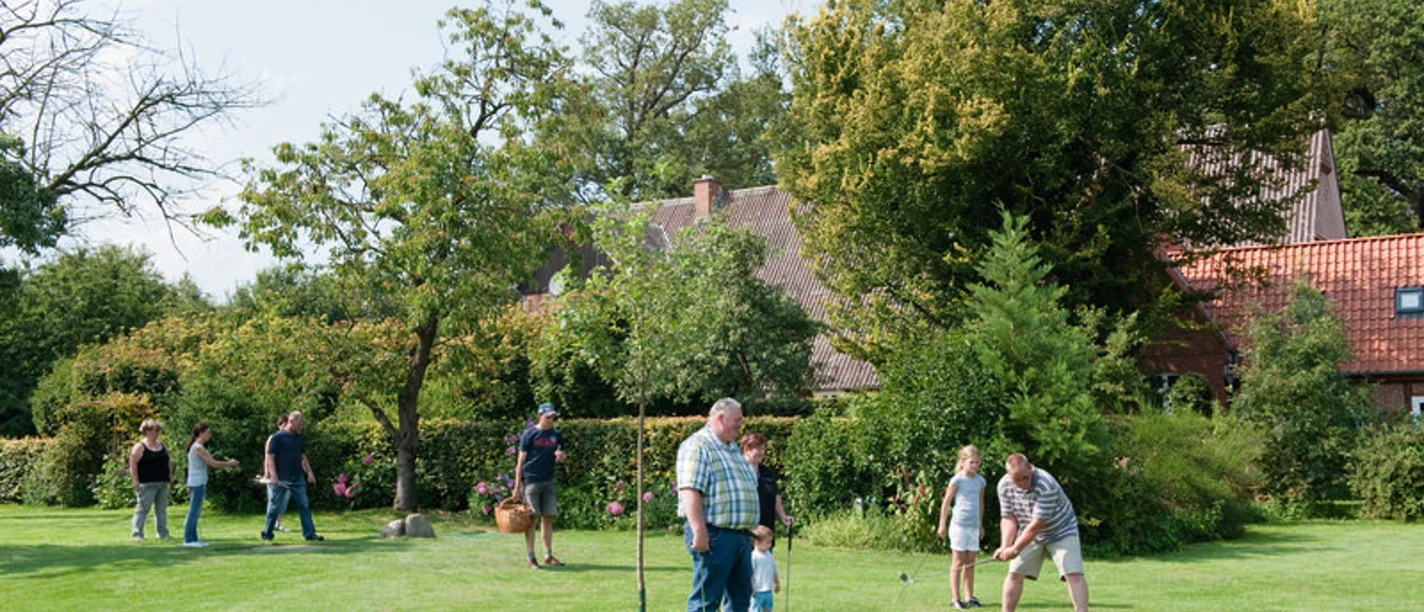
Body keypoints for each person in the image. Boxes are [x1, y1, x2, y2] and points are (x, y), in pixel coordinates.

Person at [677, 398, 759, 612]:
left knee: (740, 602)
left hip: (740, 536)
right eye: (737, 420)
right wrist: (699, 531)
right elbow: (690, 490)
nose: (741, 425)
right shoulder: (698, 445)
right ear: (721, 418)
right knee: (707, 601)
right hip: (714, 535)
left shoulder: (732, 448)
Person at [992, 454, 1089, 612]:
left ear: (1031, 469)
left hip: (1061, 530)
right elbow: (1008, 518)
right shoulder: (1004, 485)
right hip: (1029, 531)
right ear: (1009, 476)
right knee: (1014, 573)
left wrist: (1015, 550)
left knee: (1073, 574)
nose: (1022, 483)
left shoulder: (1045, 483)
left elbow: (1037, 524)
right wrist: (1005, 546)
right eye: (1017, 480)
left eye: (1025, 478)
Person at [513, 402, 566, 569]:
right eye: (548, 417)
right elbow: (520, 461)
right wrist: (517, 486)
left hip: (548, 480)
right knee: (531, 520)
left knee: (548, 518)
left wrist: (561, 457)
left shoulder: (556, 435)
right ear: (539, 416)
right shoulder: (529, 434)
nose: (551, 420)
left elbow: (562, 457)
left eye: (553, 417)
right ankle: (531, 558)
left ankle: (548, 556)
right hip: (531, 481)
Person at [937, 445, 987, 609]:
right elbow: (946, 503)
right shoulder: (957, 480)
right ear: (963, 462)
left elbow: (981, 504)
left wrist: (980, 525)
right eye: (971, 462)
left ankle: (969, 597)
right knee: (958, 562)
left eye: (977, 463)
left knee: (970, 563)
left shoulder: (980, 481)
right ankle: (956, 599)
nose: (974, 466)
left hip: (973, 527)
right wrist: (942, 524)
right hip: (959, 526)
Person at [260, 411, 322, 542]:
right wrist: (274, 476)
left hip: (297, 477)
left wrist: (309, 472)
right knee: (274, 507)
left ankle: (309, 533)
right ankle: (267, 533)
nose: (301, 427)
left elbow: (302, 457)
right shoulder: (277, 437)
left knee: (304, 505)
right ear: (291, 421)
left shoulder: (299, 438)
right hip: (281, 478)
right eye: (300, 424)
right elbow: (270, 457)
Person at [183, 422, 239, 547]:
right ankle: (188, 539)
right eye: (207, 432)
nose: (210, 434)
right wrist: (229, 463)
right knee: (193, 511)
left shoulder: (198, 447)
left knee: (196, 511)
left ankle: (194, 538)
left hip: (198, 481)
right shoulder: (198, 448)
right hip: (197, 482)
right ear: (200, 433)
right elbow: (213, 463)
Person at [739, 433, 794, 550]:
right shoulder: (737, 470)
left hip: (765, 530)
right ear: (747, 449)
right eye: (759, 449)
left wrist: (783, 516)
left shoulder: (766, 472)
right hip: (744, 531)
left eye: (763, 449)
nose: (762, 452)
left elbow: (774, 495)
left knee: (765, 560)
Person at [129, 418, 173, 541]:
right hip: (146, 483)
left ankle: (163, 533)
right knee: (142, 510)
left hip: (162, 482)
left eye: (158, 430)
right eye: (155, 430)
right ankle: (137, 534)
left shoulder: (162, 445)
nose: (157, 433)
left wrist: (171, 474)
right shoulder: (139, 447)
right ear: (147, 431)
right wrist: (135, 481)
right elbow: (133, 464)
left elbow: (168, 460)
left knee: (161, 510)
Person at [261, 413, 291, 533]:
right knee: (273, 500)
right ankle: (270, 524)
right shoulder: (272, 438)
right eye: (283, 425)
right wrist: (267, 473)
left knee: (284, 499)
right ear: (279, 425)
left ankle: (277, 523)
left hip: (287, 474)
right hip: (274, 474)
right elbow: (267, 457)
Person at [748, 525, 780, 612]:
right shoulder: (754, 556)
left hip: (768, 590)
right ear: (757, 542)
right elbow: (750, 573)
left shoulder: (769, 555)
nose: (770, 545)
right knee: (755, 609)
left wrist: (777, 583)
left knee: (768, 608)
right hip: (757, 591)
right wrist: (751, 586)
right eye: (767, 542)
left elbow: (774, 570)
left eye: (770, 542)